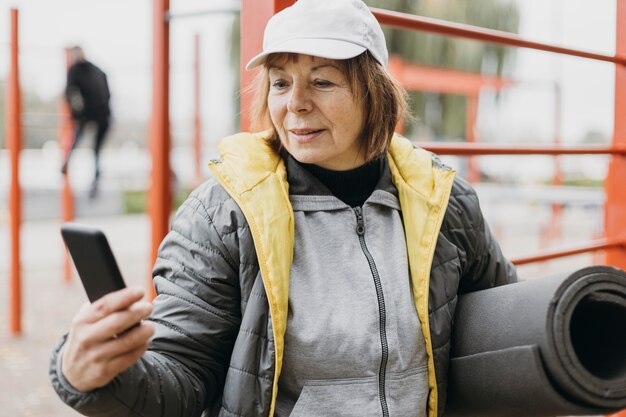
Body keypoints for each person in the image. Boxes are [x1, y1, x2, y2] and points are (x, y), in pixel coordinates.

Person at [49, 1, 517, 416]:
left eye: (322, 81)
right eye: (279, 82)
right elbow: (182, 375)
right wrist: (96, 375)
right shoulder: (222, 214)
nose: (295, 103)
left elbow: (507, 338)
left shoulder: (443, 201)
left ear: (374, 92)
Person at [61, 46, 111, 198]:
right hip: (104, 115)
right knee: (96, 150)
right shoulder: (98, 70)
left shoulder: (75, 69)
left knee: (77, 140)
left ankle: (66, 162)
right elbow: (107, 94)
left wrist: (78, 115)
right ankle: (95, 178)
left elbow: (69, 92)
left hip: (89, 114)